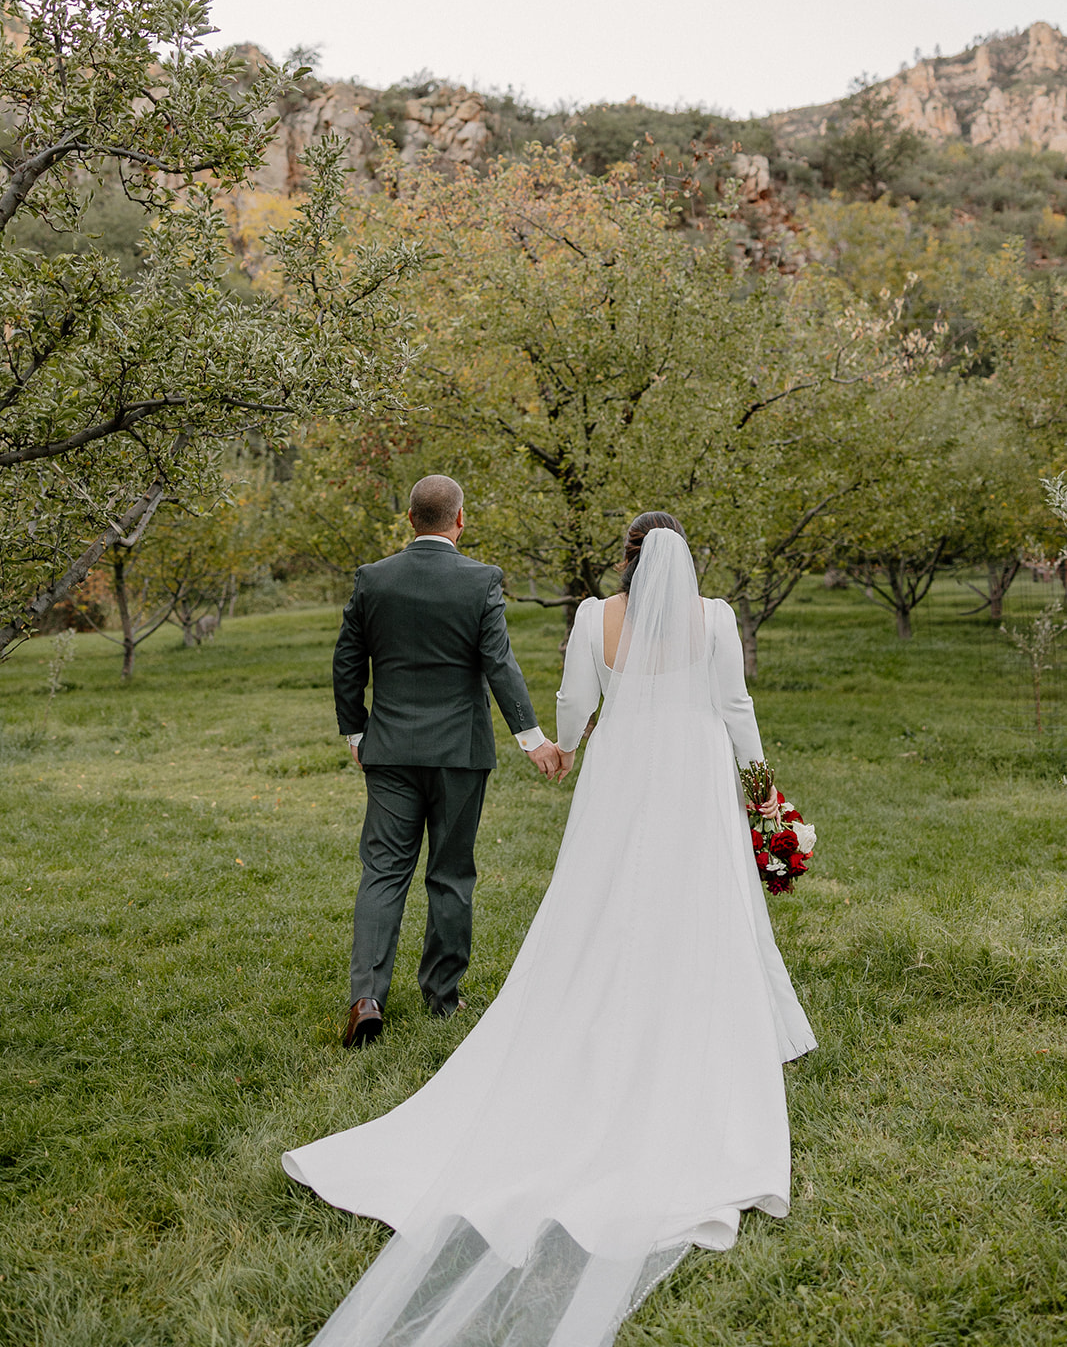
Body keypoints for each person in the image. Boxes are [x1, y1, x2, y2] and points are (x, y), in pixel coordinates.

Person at [285, 511, 816, 1346]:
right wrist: (759, 786)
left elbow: (577, 699)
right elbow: (733, 703)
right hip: (695, 767)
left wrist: (566, 748)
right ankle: (689, 1008)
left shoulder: (593, 616)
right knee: (693, 893)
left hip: (622, 768)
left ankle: (595, 994)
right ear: (685, 559)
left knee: (603, 898)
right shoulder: (713, 617)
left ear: (626, 559)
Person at [332, 474, 560, 1049]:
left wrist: (357, 732)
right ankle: (442, 995)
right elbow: (499, 664)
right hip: (460, 753)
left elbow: (347, 661)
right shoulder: (481, 581)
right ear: (460, 520)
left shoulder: (373, 579)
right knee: (451, 872)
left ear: (409, 519)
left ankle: (367, 997)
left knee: (383, 871)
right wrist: (532, 739)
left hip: (389, 750)